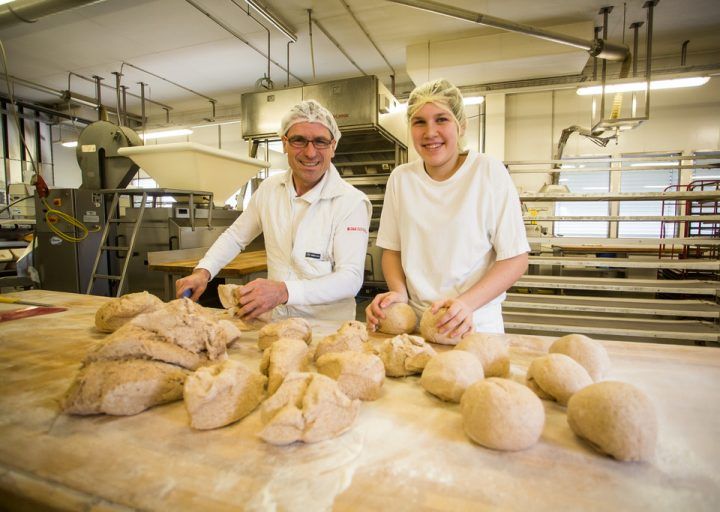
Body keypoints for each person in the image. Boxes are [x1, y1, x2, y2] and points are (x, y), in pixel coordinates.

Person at [176, 99, 372, 321]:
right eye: (299, 140)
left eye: (320, 142)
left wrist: (283, 291)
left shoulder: (351, 202)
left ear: (333, 146)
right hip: (275, 323)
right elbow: (235, 237)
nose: (310, 152)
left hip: (326, 330)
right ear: (284, 143)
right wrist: (203, 272)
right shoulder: (270, 188)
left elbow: (350, 279)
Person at [366, 78, 529, 338]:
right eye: (419, 122)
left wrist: (466, 304)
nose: (430, 132)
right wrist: (398, 292)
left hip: (474, 323)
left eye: (441, 119)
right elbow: (392, 250)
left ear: (461, 126)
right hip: (417, 324)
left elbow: (515, 258)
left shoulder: (487, 172)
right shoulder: (401, 178)